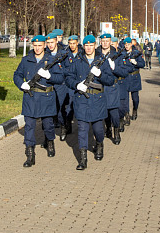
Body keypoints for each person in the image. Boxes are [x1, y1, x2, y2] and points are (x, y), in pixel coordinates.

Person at [13, 35, 65, 167]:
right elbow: (17, 74)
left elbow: (60, 79)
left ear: (44, 46)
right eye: (35, 46)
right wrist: (21, 84)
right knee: (29, 126)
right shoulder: (26, 60)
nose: (37, 48)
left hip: (46, 98)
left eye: (40, 45)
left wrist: (50, 76)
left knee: (48, 125)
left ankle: (50, 141)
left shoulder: (51, 60)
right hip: (30, 98)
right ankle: (30, 154)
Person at [65, 35, 115, 170]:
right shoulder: (77, 61)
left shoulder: (101, 61)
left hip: (98, 100)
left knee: (98, 129)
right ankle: (83, 159)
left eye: (91, 45)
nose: (88, 48)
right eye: (86, 45)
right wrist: (76, 85)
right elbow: (68, 78)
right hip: (82, 100)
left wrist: (100, 75)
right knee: (82, 129)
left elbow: (110, 80)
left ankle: (99, 144)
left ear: (95, 45)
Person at [99, 33, 128, 145]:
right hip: (101, 87)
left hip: (112, 87)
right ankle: (108, 128)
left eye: (107, 41)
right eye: (103, 41)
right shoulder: (96, 54)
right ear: (100, 42)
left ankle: (116, 130)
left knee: (114, 112)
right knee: (104, 112)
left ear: (110, 42)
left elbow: (124, 72)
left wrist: (114, 68)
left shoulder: (117, 55)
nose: (105, 43)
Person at [45, 32, 71, 141]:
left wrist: (60, 72)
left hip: (61, 85)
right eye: (48, 43)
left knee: (60, 110)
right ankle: (47, 137)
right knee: (47, 112)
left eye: (52, 42)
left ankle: (63, 126)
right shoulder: (45, 54)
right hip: (48, 85)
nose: (50, 45)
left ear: (56, 41)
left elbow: (69, 69)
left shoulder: (63, 54)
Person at [124, 38, 145, 120]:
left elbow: (142, 64)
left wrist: (136, 63)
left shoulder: (136, 53)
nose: (126, 46)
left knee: (135, 98)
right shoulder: (122, 54)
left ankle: (135, 109)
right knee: (125, 99)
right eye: (125, 45)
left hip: (134, 77)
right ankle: (126, 114)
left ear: (131, 45)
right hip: (125, 77)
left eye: (128, 44)